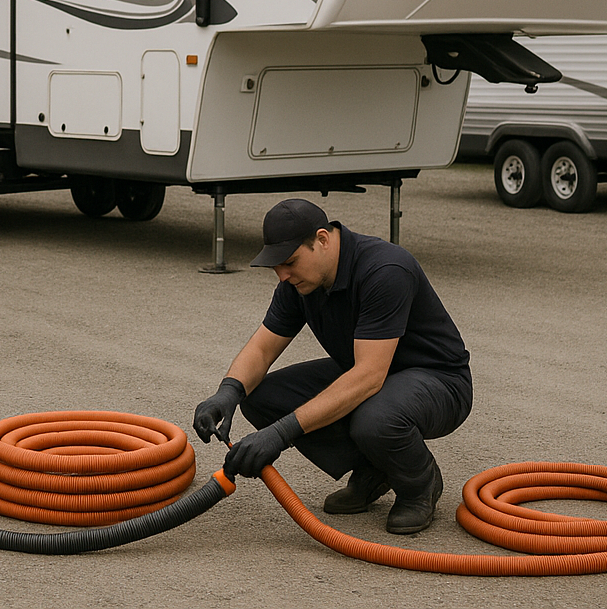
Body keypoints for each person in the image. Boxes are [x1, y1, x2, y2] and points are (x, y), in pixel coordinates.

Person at [192, 198, 472, 534]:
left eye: (290, 262)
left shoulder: (385, 270)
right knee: (260, 396)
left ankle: (419, 484)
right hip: (370, 375)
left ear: (323, 240)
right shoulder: (299, 281)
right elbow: (263, 348)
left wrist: (280, 434)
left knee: (376, 419)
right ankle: (376, 468)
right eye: (277, 265)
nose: (282, 275)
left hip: (439, 381)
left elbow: (369, 377)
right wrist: (228, 392)